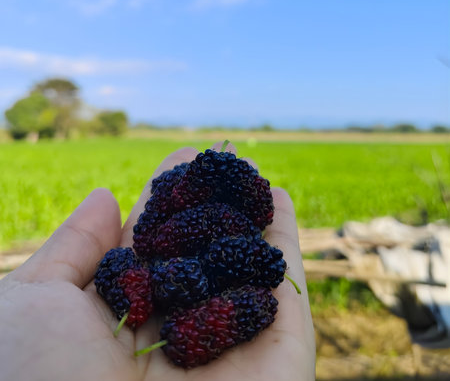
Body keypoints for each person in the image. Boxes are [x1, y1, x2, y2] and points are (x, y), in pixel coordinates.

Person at [0, 142, 316, 380]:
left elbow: (215, 231)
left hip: (211, 256)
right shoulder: (166, 257)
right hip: (186, 257)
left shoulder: (218, 252)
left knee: (218, 241)